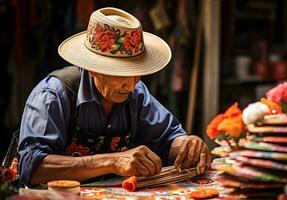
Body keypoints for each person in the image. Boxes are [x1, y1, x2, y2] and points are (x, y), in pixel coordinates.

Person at [18, 7, 210, 186]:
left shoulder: (136, 93)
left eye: (137, 72)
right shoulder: (54, 94)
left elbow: (167, 139)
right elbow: (32, 167)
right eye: (120, 73)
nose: (132, 83)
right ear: (92, 68)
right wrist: (114, 161)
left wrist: (187, 145)